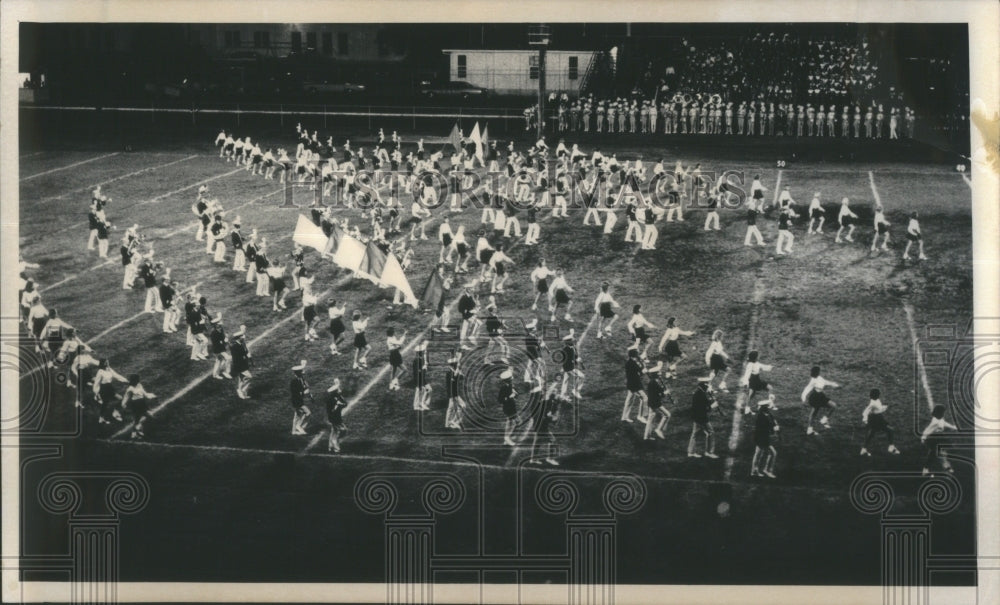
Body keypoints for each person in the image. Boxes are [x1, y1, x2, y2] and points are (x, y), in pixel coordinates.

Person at [860, 388, 901, 456]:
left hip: (878, 418)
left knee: (872, 434)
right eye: (878, 394)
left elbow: (879, 408)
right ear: (876, 396)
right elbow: (865, 412)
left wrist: (884, 407)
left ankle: (864, 449)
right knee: (890, 430)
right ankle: (891, 448)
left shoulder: (877, 400)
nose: (879, 395)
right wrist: (865, 420)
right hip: (876, 419)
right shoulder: (872, 404)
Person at [529, 383, 563, 465]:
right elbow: (546, 416)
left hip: (540, 425)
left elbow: (551, 417)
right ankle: (549, 458)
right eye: (555, 392)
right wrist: (551, 417)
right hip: (541, 425)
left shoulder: (550, 403)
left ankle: (533, 459)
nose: (556, 393)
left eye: (556, 392)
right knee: (552, 440)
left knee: (538, 442)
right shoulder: (546, 402)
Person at [801, 365, 840, 435]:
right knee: (814, 413)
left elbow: (825, 382)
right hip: (815, 397)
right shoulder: (813, 380)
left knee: (833, 406)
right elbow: (807, 389)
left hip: (821, 396)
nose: (818, 373)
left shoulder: (819, 378)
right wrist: (803, 399)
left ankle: (824, 420)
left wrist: (834, 384)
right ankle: (809, 429)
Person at [921, 404, 958, 476]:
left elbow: (944, 423)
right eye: (943, 412)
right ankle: (925, 469)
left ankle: (944, 464)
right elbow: (927, 430)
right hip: (930, 439)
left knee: (940, 450)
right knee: (934, 453)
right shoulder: (935, 422)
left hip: (937, 437)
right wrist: (923, 438)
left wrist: (953, 427)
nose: (944, 414)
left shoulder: (939, 419)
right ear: (939, 413)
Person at [687, 381, 719, 458]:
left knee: (695, 434)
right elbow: (703, 409)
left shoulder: (699, 393)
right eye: (707, 386)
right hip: (701, 417)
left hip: (697, 416)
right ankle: (709, 452)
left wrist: (711, 399)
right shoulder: (701, 395)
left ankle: (691, 452)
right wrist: (712, 406)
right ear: (704, 386)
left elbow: (705, 403)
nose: (708, 387)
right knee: (710, 432)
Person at [750, 394, 779, 478]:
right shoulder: (762, 416)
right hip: (762, 438)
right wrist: (774, 429)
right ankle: (766, 470)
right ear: (764, 407)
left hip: (762, 438)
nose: (769, 407)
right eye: (767, 406)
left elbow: (771, 420)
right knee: (772, 453)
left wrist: (774, 425)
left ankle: (754, 471)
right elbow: (767, 426)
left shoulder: (765, 414)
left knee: (759, 454)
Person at [93, 358, 128, 424]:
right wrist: (96, 393)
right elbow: (96, 384)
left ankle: (115, 412)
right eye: (106, 363)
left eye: (108, 362)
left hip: (110, 388)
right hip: (104, 389)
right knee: (105, 404)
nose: (108, 364)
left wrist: (125, 380)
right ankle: (102, 418)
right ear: (103, 364)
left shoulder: (109, 369)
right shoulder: (100, 372)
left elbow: (116, 375)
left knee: (120, 398)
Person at [121, 374, 155, 440]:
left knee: (140, 419)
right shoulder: (130, 389)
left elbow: (144, 393)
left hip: (142, 403)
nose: (139, 380)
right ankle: (137, 431)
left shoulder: (139, 385)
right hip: (136, 405)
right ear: (134, 380)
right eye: (137, 379)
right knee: (145, 417)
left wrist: (151, 396)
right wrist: (123, 404)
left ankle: (134, 433)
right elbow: (126, 397)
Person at [643, 369, 673, 440]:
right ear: (656, 374)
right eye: (659, 372)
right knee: (667, 415)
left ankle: (646, 437)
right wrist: (665, 393)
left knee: (650, 419)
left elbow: (659, 391)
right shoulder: (654, 383)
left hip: (652, 403)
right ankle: (659, 429)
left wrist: (663, 391)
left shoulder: (653, 382)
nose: (660, 373)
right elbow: (657, 394)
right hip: (655, 403)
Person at [558, 331, 584, 399]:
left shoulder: (571, 347)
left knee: (565, 380)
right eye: (572, 339)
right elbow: (569, 359)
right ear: (568, 342)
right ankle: (576, 390)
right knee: (581, 376)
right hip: (569, 367)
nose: (573, 340)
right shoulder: (566, 350)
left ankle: (562, 395)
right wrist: (577, 360)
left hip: (567, 367)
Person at [289, 360, 312, 435]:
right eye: (301, 371)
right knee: (308, 413)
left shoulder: (301, 379)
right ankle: (299, 426)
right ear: (298, 373)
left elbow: (305, 386)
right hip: (297, 401)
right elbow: (295, 392)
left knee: (297, 415)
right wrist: (304, 392)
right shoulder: (294, 381)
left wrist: (309, 395)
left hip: (298, 400)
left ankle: (294, 431)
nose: (303, 372)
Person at [229, 324, 252, 400]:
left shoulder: (239, 344)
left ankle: (242, 392)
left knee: (242, 378)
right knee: (249, 377)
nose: (243, 337)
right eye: (241, 337)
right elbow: (237, 358)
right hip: (240, 366)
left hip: (243, 364)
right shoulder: (235, 347)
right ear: (238, 338)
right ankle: (241, 390)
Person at [325, 378, 348, 452]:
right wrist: (337, 406)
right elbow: (331, 411)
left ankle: (330, 446)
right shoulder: (330, 400)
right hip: (334, 418)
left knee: (334, 431)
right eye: (338, 390)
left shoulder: (337, 398)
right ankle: (336, 447)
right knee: (342, 430)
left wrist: (340, 402)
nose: (339, 390)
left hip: (337, 417)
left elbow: (345, 404)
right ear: (335, 392)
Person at [444, 353, 466, 430]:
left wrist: (459, 372)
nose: (457, 365)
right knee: (457, 407)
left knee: (456, 407)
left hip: (455, 394)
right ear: (453, 365)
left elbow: (462, 378)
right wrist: (457, 373)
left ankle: (450, 423)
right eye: (456, 364)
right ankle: (452, 422)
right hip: (452, 395)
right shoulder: (449, 373)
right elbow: (453, 382)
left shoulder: (453, 372)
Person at [499, 368, 519, 446]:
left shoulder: (510, 385)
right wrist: (509, 397)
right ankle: (507, 438)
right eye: (510, 379)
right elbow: (500, 400)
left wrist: (514, 392)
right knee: (510, 422)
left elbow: (512, 391)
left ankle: (508, 437)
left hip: (512, 406)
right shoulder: (503, 388)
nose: (512, 380)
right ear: (507, 380)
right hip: (507, 407)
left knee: (517, 422)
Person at [386, 327, 408, 391]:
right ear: (392, 333)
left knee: (394, 370)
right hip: (394, 355)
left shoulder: (392, 338)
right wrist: (404, 335)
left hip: (395, 354)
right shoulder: (390, 339)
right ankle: (395, 381)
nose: (394, 332)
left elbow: (397, 345)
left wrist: (398, 347)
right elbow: (400, 343)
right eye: (393, 332)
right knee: (404, 369)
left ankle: (391, 385)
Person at [412, 340, 431, 411]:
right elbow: (418, 372)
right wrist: (423, 369)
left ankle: (423, 403)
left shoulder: (421, 359)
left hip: (421, 377)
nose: (424, 351)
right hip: (419, 378)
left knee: (429, 390)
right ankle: (416, 406)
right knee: (420, 391)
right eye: (423, 351)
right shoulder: (417, 360)